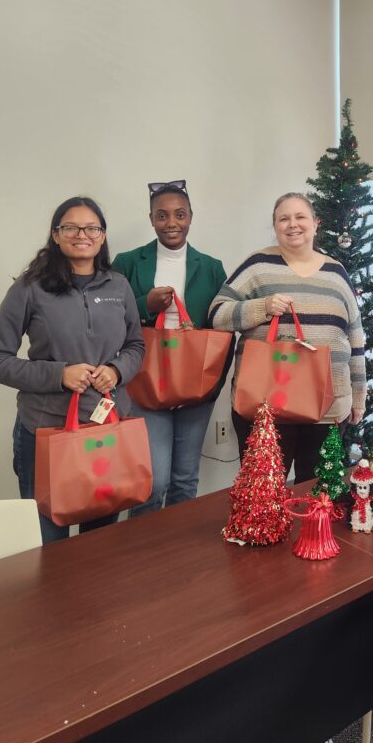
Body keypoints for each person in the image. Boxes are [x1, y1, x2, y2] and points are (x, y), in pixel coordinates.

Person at [0, 196, 145, 544]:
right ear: (55, 235)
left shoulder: (118, 286)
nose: (81, 234)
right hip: (46, 433)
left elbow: (136, 346)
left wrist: (116, 370)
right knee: (47, 544)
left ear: (102, 235)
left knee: (98, 546)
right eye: (70, 227)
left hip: (105, 432)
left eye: (91, 227)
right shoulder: (29, 288)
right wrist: (59, 375)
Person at [209, 192, 366, 484]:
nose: (292, 224)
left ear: (316, 223)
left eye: (300, 217)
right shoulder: (257, 266)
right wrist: (262, 307)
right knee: (263, 492)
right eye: (284, 218)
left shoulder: (336, 273)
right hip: (266, 405)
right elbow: (217, 315)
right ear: (275, 225)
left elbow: (355, 336)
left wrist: (359, 395)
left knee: (317, 492)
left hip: (328, 409)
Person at [112, 180, 228, 514]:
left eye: (179, 214)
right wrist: (144, 304)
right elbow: (107, 317)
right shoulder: (129, 262)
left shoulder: (211, 267)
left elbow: (220, 323)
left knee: (184, 478)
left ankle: (179, 556)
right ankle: (144, 554)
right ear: (151, 219)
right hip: (147, 380)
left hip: (195, 383)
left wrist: (214, 382)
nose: (171, 223)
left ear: (191, 216)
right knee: (154, 480)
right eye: (162, 215)